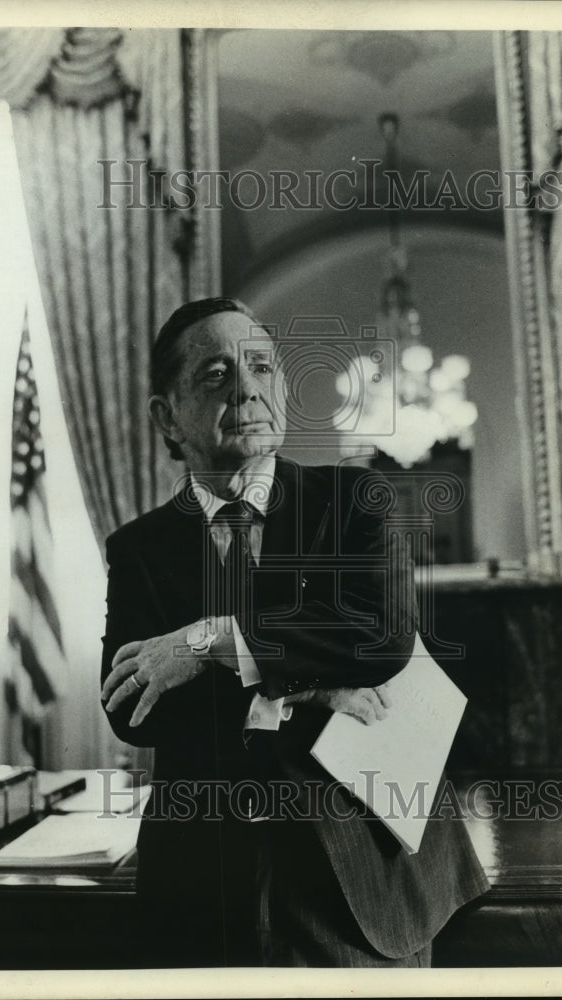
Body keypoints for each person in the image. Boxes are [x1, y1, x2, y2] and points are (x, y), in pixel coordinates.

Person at [100, 297, 488, 967]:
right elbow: (133, 714)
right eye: (215, 373)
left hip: (358, 884)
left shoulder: (354, 500)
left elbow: (378, 640)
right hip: (203, 891)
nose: (246, 388)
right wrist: (312, 689)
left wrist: (208, 642)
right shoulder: (138, 548)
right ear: (167, 416)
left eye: (260, 366)